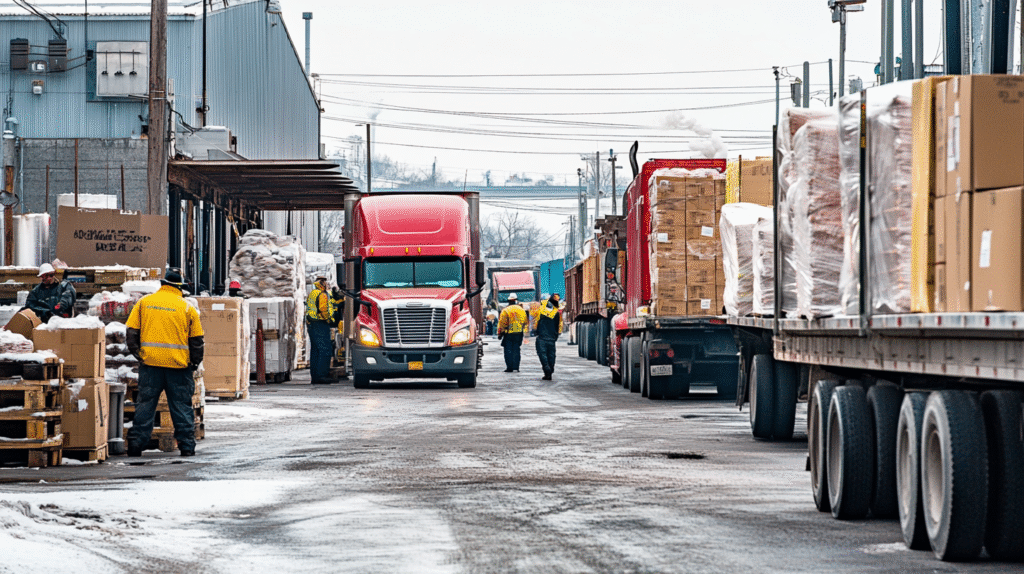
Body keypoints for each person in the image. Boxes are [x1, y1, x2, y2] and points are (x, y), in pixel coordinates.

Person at [125, 268, 204, 457]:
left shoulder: (144, 303)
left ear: (163, 285)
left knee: (145, 405)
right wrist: (193, 363)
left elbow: (131, 332)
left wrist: (140, 355)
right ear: (179, 287)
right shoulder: (187, 308)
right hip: (178, 367)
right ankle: (186, 446)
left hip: (151, 365)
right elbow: (197, 341)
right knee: (181, 406)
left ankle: (136, 445)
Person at [305, 275, 336, 385]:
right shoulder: (322, 294)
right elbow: (323, 309)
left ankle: (315, 376)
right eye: (326, 283)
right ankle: (322, 375)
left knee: (315, 350)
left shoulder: (313, 293)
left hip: (312, 323)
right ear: (323, 284)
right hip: (320, 323)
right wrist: (329, 319)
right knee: (325, 350)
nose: (327, 285)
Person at [534, 293, 563, 380]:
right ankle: (550, 370)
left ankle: (546, 368)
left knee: (542, 354)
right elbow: (559, 325)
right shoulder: (556, 314)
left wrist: (535, 331)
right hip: (551, 338)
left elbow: (535, 324)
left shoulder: (540, 313)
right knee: (551, 355)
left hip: (542, 338)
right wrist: (556, 335)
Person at [497, 293, 527, 373]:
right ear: (516, 300)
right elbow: (525, 321)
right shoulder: (522, 310)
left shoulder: (506, 310)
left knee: (508, 351)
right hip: (519, 333)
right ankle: (516, 367)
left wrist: (500, 333)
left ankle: (509, 367)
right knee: (516, 350)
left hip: (508, 334)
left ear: (509, 301)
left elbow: (502, 323)